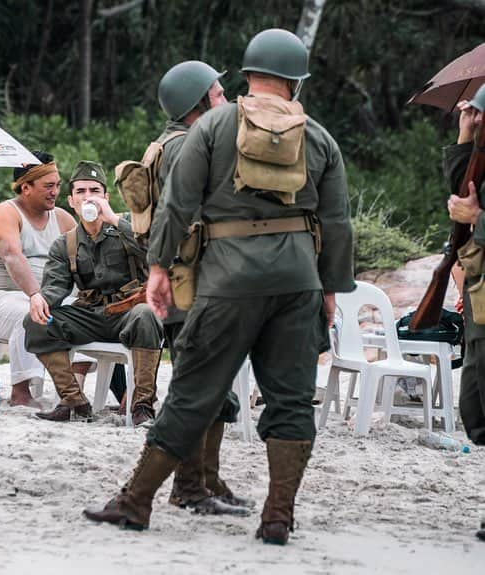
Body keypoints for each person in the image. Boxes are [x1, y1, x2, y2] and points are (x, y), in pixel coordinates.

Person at [84, 29, 355, 545]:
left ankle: (136, 502)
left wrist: (160, 268)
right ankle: (278, 516)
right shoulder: (319, 138)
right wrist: (330, 289)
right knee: (292, 400)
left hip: (227, 280)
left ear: (248, 75)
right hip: (298, 282)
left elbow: (176, 204)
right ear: (296, 82)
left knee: (192, 391)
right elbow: (337, 223)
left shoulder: (213, 126)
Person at [154, 61, 252, 516]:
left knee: (213, 389)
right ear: (197, 104)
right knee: (202, 389)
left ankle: (206, 480)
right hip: (191, 284)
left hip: (188, 282)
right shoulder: (188, 145)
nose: (226, 101)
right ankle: (190, 487)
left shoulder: (172, 143)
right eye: (217, 95)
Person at [25, 161, 164, 424]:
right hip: (91, 316)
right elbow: (55, 286)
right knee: (37, 321)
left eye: (94, 190)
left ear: (105, 197)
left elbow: (157, 249)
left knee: (146, 314)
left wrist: (112, 218)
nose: (88, 197)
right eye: (80, 192)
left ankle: (142, 404)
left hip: (129, 313)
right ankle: (73, 401)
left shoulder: (128, 226)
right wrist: (40, 298)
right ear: (71, 201)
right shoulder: (64, 243)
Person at [0, 151, 77, 408]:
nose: (55, 191)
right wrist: (35, 295)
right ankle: (20, 393)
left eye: (57, 185)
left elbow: (83, 262)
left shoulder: (64, 219)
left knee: (87, 313)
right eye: (48, 186)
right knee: (32, 314)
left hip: (52, 298)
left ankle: (73, 391)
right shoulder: (4, 213)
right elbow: (12, 255)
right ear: (26, 187)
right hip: (1, 299)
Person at [442, 84, 485, 544]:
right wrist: (464, 134)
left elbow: (472, 209)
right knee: (475, 402)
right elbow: (461, 191)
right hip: (480, 297)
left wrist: (478, 218)